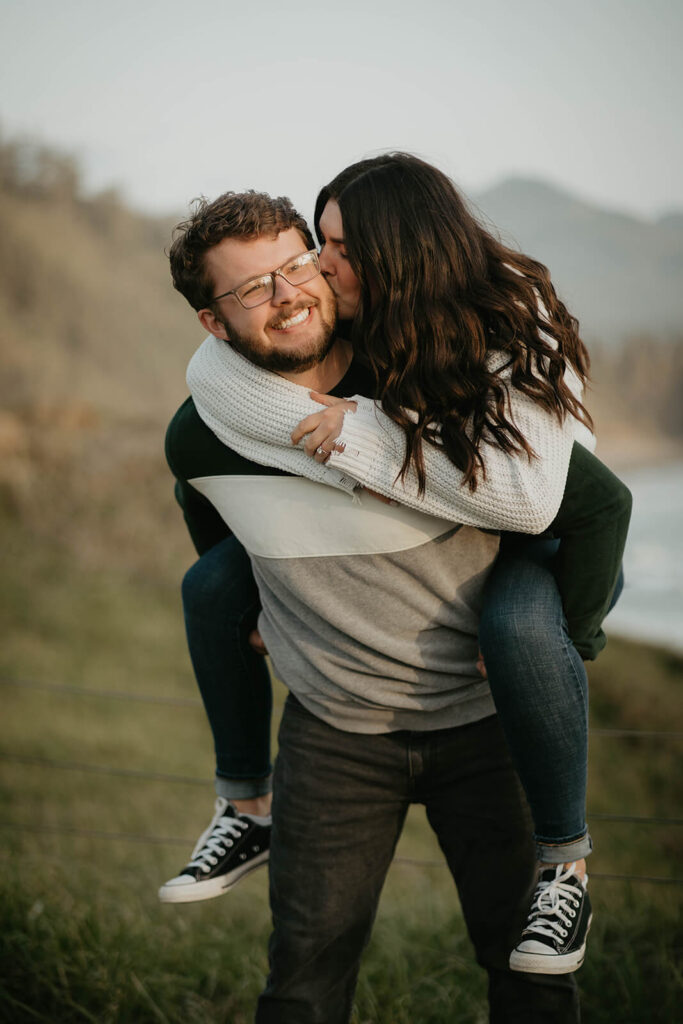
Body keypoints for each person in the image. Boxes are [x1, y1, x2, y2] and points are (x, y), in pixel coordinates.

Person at [163, 182, 627, 1021]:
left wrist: (569, 628)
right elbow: (210, 524)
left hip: (487, 721)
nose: (288, 293)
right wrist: (254, 607)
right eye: (249, 288)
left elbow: (589, 503)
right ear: (211, 322)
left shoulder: (427, 369)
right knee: (303, 983)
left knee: (529, 979)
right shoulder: (201, 432)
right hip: (334, 737)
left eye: (295, 263)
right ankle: (243, 810)